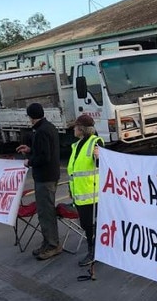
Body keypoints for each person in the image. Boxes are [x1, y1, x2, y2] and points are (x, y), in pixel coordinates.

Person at [16, 103, 62, 261]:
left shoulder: (41, 131)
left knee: (46, 212)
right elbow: (44, 150)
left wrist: (29, 161)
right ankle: (48, 241)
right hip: (49, 175)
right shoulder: (48, 127)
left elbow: (44, 157)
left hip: (45, 177)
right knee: (44, 211)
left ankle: (52, 244)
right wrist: (30, 150)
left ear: (31, 116)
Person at [67, 114, 103, 267]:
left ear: (81, 129)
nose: (74, 129)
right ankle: (94, 249)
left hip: (92, 195)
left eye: (75, 127)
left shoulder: (96, 142)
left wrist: (100, 157)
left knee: (91, 225)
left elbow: (103, 165)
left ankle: (94, 251)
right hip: (80, 194)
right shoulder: (77, 145)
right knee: (86, 225)